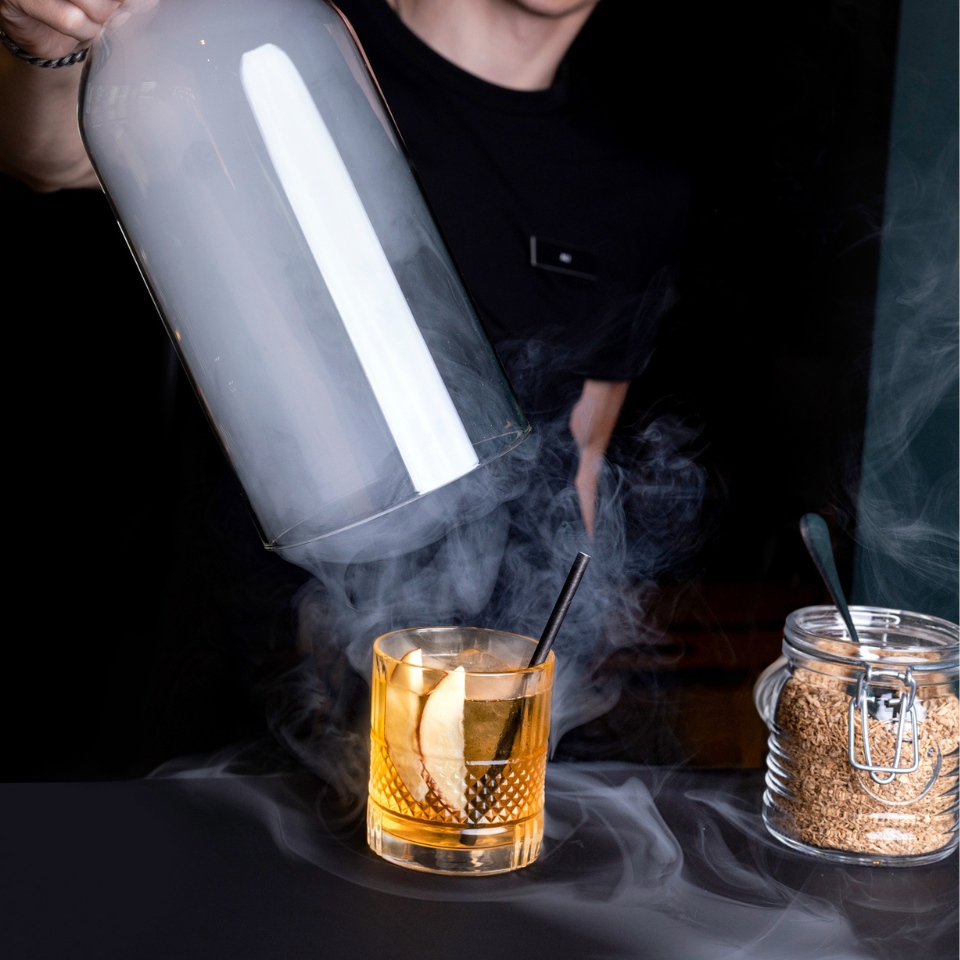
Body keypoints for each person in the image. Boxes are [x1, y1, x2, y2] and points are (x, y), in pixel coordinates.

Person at [0, 0, 694, 778]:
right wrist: (49, 47)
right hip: (240, 704)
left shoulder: (635, 187)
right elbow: (53, 153)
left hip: (474, 722)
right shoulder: (279, 30)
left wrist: (550, 683)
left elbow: (585, 456)